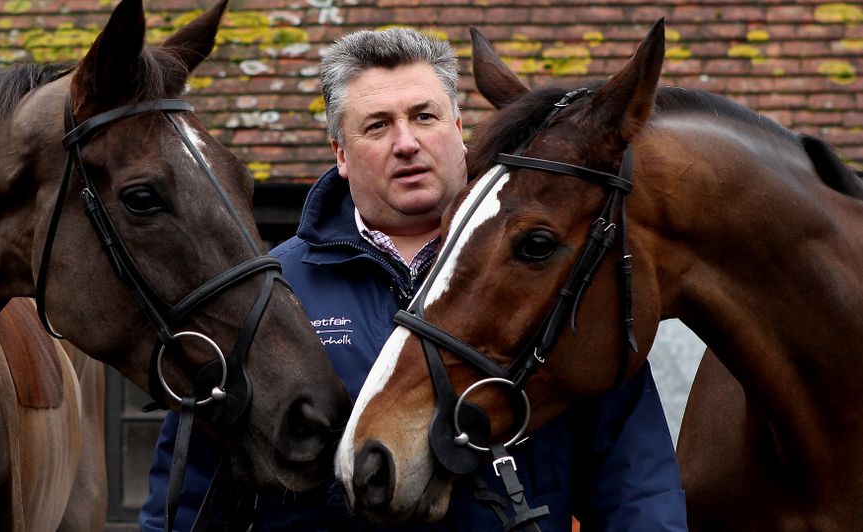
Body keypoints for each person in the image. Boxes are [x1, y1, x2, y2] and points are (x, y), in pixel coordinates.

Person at [140, 27, 687, 531]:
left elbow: (635, 480)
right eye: (377, 126)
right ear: (342, 156)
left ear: (458, 128)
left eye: (424, 117)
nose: (406, 143)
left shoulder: (552, 267)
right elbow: (190, 498)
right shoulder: (266, 294)